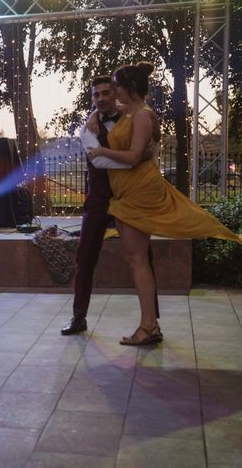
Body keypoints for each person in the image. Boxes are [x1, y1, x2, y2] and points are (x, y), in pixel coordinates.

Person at [86, 61, 242, 345]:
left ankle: (148, 326)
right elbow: (138, 147)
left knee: (137, 262)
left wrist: (101, 150)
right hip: (128, 191)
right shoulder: (132, 113)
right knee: (137, 261)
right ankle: (150, 324)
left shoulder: (142, 116)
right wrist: (95, 115)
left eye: (117, 86)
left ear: (129, 87)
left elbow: (134, 157)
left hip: (138, 191)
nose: (115, 91)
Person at [61, 76, 159, 336]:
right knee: (85, 257)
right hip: (100, 198)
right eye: (96, 95)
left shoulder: (132, 117)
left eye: (106, 93)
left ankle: (152, 323)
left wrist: (144, 153)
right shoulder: (88, 129)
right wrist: (136, 158)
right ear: (92, 98)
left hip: (129, 195)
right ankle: (78, 317)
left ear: (116, 92)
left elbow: (150, 139)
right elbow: (100, 163)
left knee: (143, 258)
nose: (101, 98)